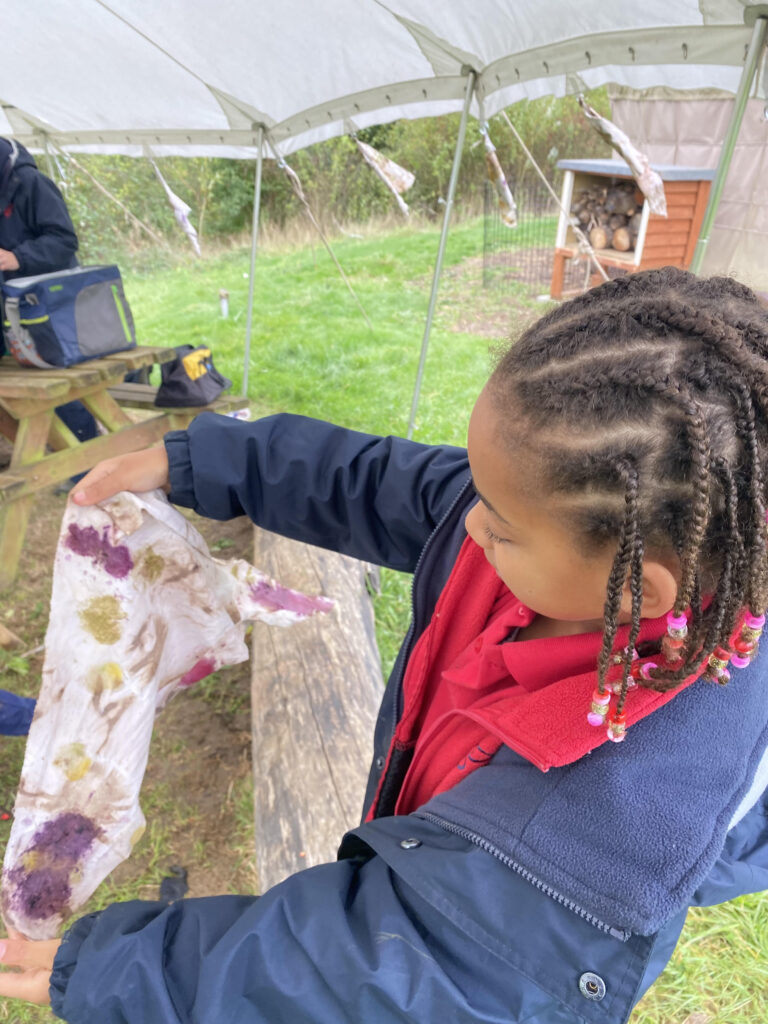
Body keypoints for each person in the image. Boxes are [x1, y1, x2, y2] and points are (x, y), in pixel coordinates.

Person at [2, 267, 768, 1022]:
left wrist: (109, 968)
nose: (467, 526)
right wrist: (211, 461)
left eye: (498, 524)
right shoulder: (571, 525)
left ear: (638, 589)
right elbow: (387, 482)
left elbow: (369, 972)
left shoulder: (604, 822)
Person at [0, 137, 98, 445]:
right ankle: (31, 451)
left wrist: (18, 258)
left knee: (59, 389)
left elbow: (64, 239)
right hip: (9, 307)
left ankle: (85, 462)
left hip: (48, 308)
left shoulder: (31, 183)